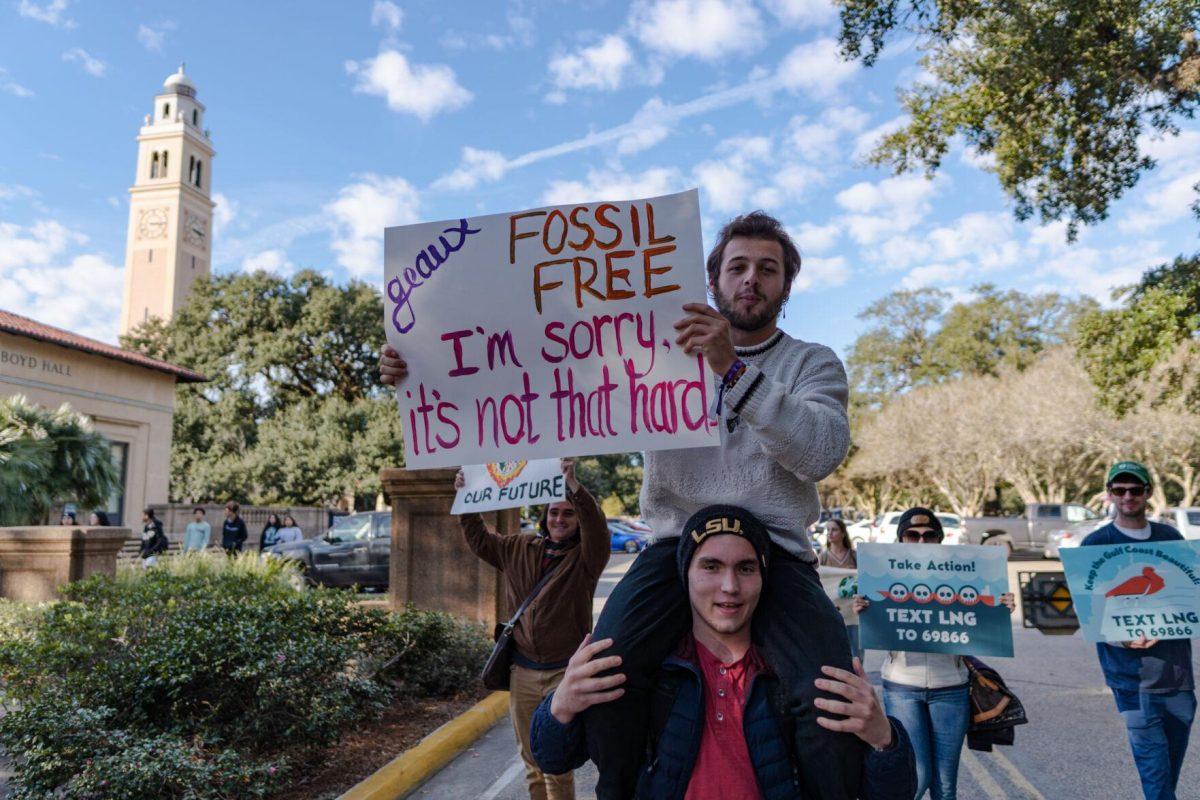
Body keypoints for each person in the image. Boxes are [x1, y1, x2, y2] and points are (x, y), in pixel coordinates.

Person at [380, 211, 858, 799]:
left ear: (786, 285)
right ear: (713, 280)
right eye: (737, 267)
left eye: (768, 269)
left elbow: (820, 451)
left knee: (829, 693)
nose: (751, 279)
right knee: (608, 673)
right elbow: (528, 370)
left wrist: (728, 368)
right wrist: (425, 369)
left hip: (778, 555)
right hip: (672, 549)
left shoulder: (813, 362)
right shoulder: (650, 348)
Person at [531, 506, 916, 800]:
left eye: (746, 569)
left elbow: (892, 792)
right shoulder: (656, 672)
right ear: (685, 575)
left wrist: (884, 738)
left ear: (764, 580)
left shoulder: (792, 678)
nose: (729, 586)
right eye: (711, 567)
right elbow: (552, 758)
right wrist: (561, 704)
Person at [456, 458, 609, 800]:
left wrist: (574, 488)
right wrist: (466, 498)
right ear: (544, 516)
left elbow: (597, 528)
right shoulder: (517, 549)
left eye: (567, 514)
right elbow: (480, 540)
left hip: (563, 675)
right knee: (532, 764)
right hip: (523, 672)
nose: (559, 519)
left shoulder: (587, 557)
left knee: (556, 763)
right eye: (554, 512)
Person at [853, 508, 1015, 800]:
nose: (921, 540)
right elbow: (869, 624)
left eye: (929, 535)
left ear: (939, 538)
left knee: (945, 783)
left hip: (951, 688)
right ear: (901, 538)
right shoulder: (883, 575)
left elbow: (980, 627)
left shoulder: (961, 574)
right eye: (911, 535)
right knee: (918, 775)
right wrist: (864, 609)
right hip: (903, 687)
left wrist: (999, 607)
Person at [1081, 461, 1193, 800]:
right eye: (1120, 490)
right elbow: (1089, 611)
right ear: (1110, 494)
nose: (1128, 496)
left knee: (1167, 772)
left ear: (1148, 493)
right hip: (1130, 680)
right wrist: (1122, 637)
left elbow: (1185, 597)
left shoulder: (1170, 537)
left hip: (1177, 675)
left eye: (1135, 490)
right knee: (1155, 776)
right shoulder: (1095, 544)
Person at [820, 518, 860, 659]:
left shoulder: (855, 556)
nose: (830, 533)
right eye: (828, 530)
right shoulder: (822, 558)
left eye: (834, 529)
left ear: (843, 533)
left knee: (856, 655)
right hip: (832, 612)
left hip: (855, 614)